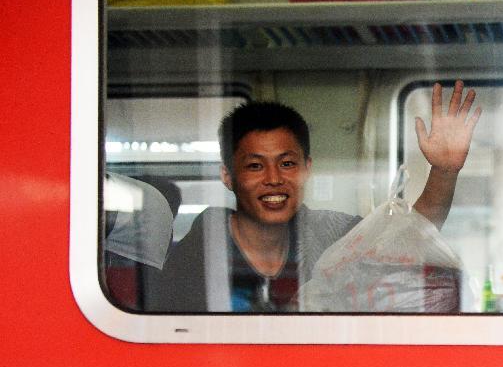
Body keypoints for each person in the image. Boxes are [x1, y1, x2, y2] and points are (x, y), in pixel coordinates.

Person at [148, 80, 481, 313]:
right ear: (227, 176)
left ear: (306, 168)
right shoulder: (196, 256)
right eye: (254, 166)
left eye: (287, 164)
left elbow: (410, 235)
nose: (274, 179)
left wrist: (444, 170)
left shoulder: (332, 233)